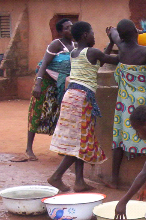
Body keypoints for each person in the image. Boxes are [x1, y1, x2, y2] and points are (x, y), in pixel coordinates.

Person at [47, 21, 119, 192]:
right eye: (92, 33)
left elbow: (100, 61)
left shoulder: (74, 53)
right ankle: (56, 176)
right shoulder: (92, 52)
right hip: (82, 99)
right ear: (85, 35)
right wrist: (119, 39)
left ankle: (79, 181)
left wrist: (110, 43)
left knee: (78, 140)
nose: (94, 36)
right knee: (80, 142)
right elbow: (115, 59)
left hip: (71, 96)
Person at [105, 19, 146, 189]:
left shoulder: (121, 48)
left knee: (119, 136)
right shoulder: (145, 51)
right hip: (144, 101)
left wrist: (111, 32)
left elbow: (114, 34)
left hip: (125, 102)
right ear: (135, 32)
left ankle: (114, 179)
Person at [13, 18, 74, 162]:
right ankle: (29, 148)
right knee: (37, 111)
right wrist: (38, 85)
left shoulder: (75, 45)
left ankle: (60, 147)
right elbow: (44, 63)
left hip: (60, 84)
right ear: (60, 32)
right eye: (66, 28)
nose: (70, 29)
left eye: (71, 26)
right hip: (45, 81)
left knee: (60, 113)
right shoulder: (56, 44)